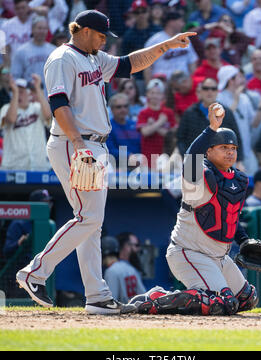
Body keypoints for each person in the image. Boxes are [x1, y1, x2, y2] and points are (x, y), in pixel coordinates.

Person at [15, 9, 196, 314]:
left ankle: (96, 295)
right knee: (89, 218)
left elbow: (130, 64)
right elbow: (59, 105)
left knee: (89, 221)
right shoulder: (62, 58)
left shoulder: (94, 56)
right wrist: (79, 146)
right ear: (83, 30)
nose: (104, 41)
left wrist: (165, 45)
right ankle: (35, 272)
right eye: (101, 35)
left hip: (90, 144)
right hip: (76, 143)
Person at [137, 103, 260, 316]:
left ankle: (177, 295)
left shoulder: (238, 179)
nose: (230, 153)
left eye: (233, 149)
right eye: (224, 148)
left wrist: (244, 240)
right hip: (189, 253)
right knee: (222, 303)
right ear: (209, 150)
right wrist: (211, 128)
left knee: (247, 299)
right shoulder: (199, 175)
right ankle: (156, 300)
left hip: (219, 257)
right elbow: (191, 156)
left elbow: (229, 216)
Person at [176, 77, 244, 165]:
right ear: (200, 91)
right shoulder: (190, 112)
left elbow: (236, 138)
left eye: (213, 89)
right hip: (193, 161)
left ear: (217, 91)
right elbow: (180, 139)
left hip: (221, 162)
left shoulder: (226, 113)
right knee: (191, 179)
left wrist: (239, 161)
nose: (209, 91)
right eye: (206, 88)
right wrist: (186, 157)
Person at [217, 65, 261, 175]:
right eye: (238, 77)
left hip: (246, 152)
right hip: (227, 154)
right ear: (230, 80)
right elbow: (222, 120)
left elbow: (254, 124)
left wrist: (260, 108)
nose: (242, 80)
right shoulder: (219, 98)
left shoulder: (245, 98)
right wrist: (235, 100)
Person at [2, 189, 53, 298]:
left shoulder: (49, 225)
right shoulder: (19, 224)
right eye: (45, 202)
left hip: (41, 273)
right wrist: (19, 243)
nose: (49, 205)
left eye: (49, 202)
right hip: (18, 273)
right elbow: (6, 251)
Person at [0, 75, 51, 170]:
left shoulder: (37, 107)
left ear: (29, 94)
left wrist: (38, 89)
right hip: (13, 167)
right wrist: (15, 94)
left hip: (38, 166)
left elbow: (48, 115)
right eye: (16, 92)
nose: (19, 95)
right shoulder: (6, 109)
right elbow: (11, 119)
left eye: (22, 92)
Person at [144, 11, 198, 83]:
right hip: (163, 84)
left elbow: (192, 62)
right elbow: (147, 67)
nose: (183, 24)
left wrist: (193, 82)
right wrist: (150, 86)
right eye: (181, 21)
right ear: (171, 22)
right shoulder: (154, 41)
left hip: (183, 85)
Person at [121, 0, 162, 93]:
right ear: (133, 14)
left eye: (143, 11)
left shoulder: (158, 30)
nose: (141, 15)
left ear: (148, 12)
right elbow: (125, 59)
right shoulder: (129, 35)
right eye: (137, 12)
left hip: (158, 72)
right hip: (138, 77)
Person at [137, 78, 177, 168]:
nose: (155, 96)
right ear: (147, 94)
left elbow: (171, 135)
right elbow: (145, 132)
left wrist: (153, 125)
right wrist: (160, 122)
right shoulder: (143, 112)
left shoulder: (168, 112)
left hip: (166, 155)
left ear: (162, 96)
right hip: (148, 157)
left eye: (158, 93)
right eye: (152, 93)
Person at [11, 15, 56, 95]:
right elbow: (15, 78)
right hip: (30, 99)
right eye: (39, 28)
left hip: (50, 99)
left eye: (45, 28)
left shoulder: (54, 51)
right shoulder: (21, 51)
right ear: (32, 29)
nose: (42, 31)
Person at [102, 235, 146, 304]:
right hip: (136, 310)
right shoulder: (131, 268)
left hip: (123, 312)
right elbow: (143, 295)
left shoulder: (111, 271)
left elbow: (111, 301)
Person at [106, 92, 141, 167]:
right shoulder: (107, 128)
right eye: (119, 107)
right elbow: (109, 150)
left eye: (125, 106)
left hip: (140, 165)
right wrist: (128, 155)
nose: (123, 109)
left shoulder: (135, 124)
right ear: (112, 109)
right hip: (118, 167)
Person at [1, 0, 34, 66]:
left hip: (32, 61)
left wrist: (33, 9)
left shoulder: (35, 22)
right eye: (17, 8)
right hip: (14, 63)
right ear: (14, 9)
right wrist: (8, 65)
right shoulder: (6, 25)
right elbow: (3, 48)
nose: (20, 11)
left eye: (23, 8)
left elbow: (45, 11)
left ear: (28, 7)